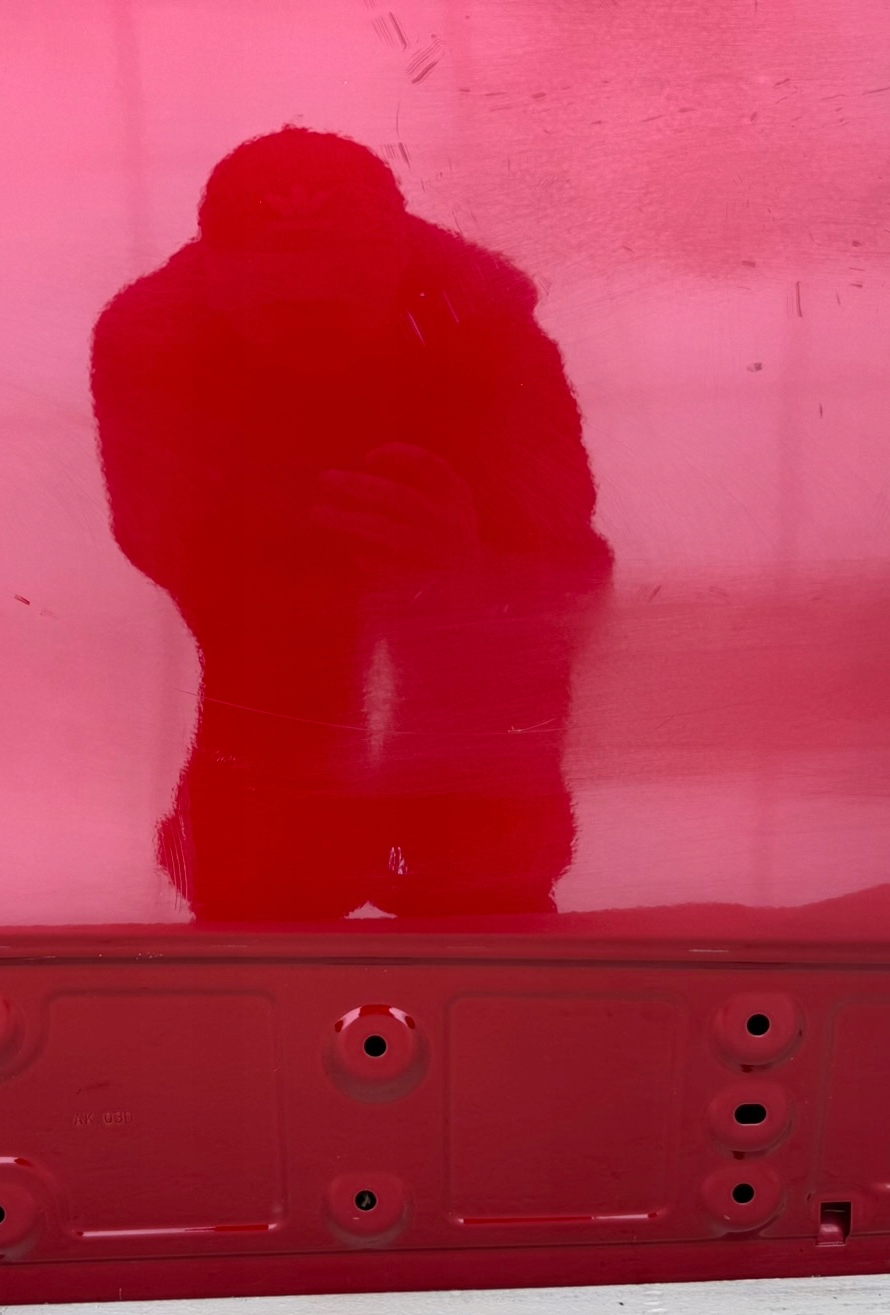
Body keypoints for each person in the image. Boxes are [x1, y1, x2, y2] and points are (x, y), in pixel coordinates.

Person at [91, 128, 611, 920]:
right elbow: (158, 532)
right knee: (274, 854)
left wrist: (465, 575)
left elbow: (562, 543)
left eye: (333, 288)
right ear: (215, 277)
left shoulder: (486, 326)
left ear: (396, 257)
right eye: (280, 294)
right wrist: (294, 561)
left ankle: (412, 850)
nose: (308, 310)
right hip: (274, 601)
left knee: (464, 862)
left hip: (448, 606)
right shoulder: (153, 339)